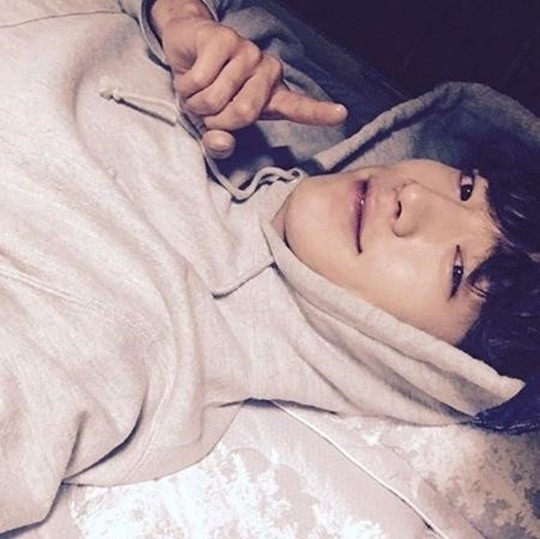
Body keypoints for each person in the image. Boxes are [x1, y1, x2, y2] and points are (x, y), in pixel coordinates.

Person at [0, 0, 538, 533]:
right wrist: (183, 18)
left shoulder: (143, 338)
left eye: (457, 271)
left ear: (431, 365)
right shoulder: (301, 110)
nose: (415, 198)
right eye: (466, 188)